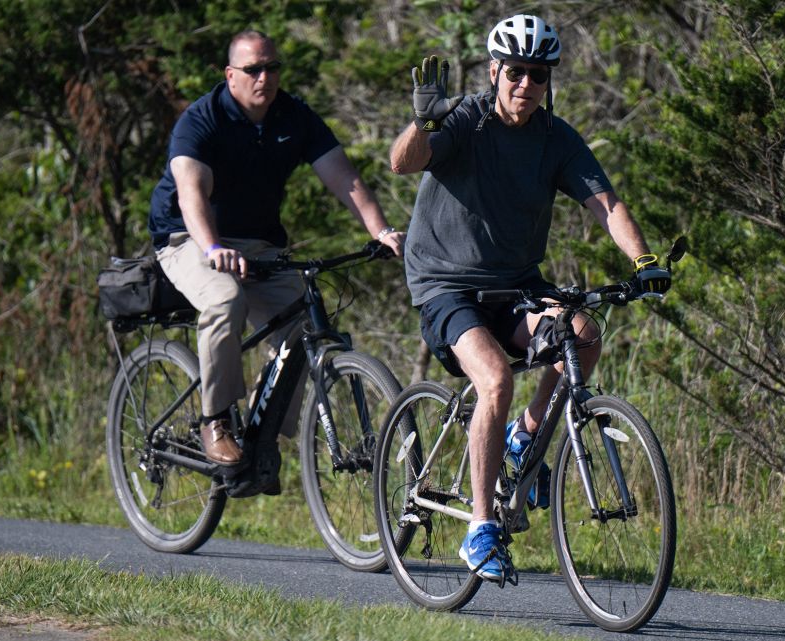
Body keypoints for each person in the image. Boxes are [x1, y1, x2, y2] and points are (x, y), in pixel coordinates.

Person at [389, 14, 670, 584]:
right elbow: (403, 162)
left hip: (517, 283)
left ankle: (524, 435)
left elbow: (606, 205)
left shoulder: (555, 139)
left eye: (537, 76)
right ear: (495, 71)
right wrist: (421, 122)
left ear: (548, 81)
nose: (524, 85)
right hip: (447, 285)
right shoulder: (465, 119)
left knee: (583, 334)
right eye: (514, 72)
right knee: (495, 378)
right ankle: (481, 527)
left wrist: (643, 261)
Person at [149, 29, 404, 468]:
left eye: (272, 67)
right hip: (187, 237)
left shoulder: (293, 116)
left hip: (257, 242)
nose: (264, 77)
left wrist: (381, 231)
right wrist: (211, 246)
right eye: (253, 69)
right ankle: (216, 421)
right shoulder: (202, 119)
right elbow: (192, 193)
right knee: (224, 299)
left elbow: (345, 178)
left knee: (304, 323)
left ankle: (262, 437)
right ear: (231, 76)